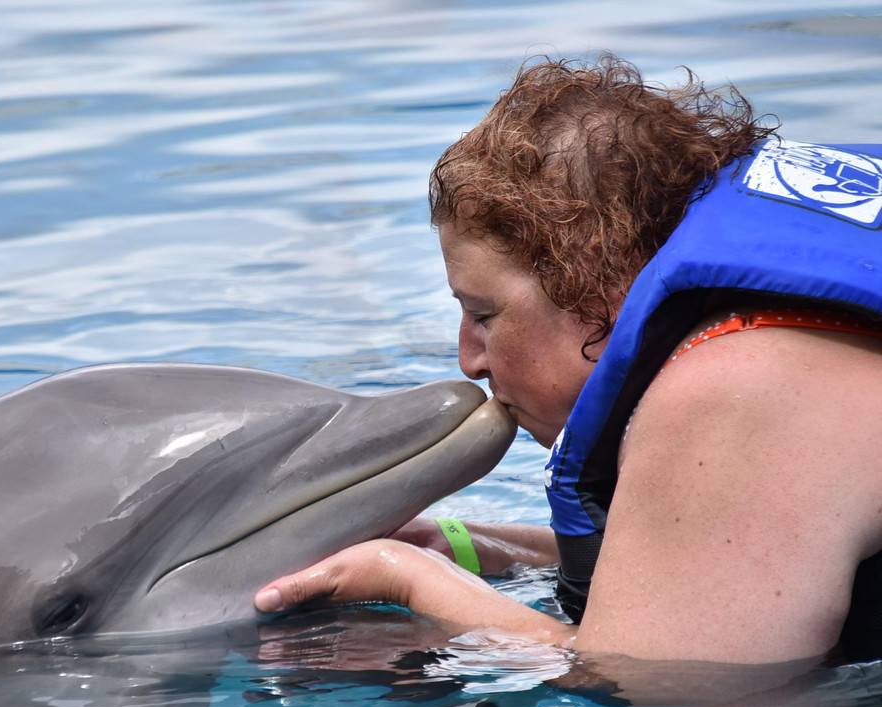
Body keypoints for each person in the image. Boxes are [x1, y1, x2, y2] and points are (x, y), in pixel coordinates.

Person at [254, 53, 882, 665]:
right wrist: (483, 549)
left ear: (596, 283)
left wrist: (408, 580)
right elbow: (726, 564)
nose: (468, 359)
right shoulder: (781, 335)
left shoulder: (732, 397)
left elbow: (657, 686)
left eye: (484, 314)